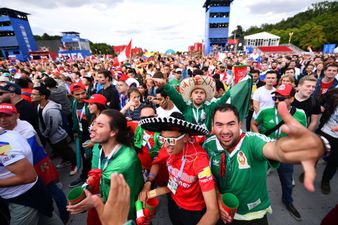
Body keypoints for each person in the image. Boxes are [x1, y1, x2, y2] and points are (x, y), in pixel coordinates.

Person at [203, 103, 325, 224]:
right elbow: (208, 177)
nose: (225, 131)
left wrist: (310, 147)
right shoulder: (208, 145)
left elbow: (275, 149)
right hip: (221, 212)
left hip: (253, 215)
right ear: (212, 126)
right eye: (219, 125)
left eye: (231, 124)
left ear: (239, 124)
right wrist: (217, 196)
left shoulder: (253, 141)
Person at [139, 112, 219, 225]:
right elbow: (157, 162)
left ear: (185, 138)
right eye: (162, 139)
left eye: (171, 140)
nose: (166, 145)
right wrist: (148, 183)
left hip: (192, 211)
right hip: (173, 200)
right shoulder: (168, 146)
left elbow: (213, 212)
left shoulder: (199, 161)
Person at [67, 109, 143, 221]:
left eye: (100, 125)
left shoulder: (126, 161)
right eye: (94, 123)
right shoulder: (99, 147)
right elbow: (98, 174)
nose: (92, 128)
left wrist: (95, 201)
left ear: (113, 132)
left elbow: (126, 203)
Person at [0, 103, 69, 223]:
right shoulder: (7, 134)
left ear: (17, 116)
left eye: (7, 116)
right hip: (28, 188)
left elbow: (27, 174)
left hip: (27, 188)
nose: (3, 119)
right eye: (0, 116)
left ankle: (66, 214)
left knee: (53, 190)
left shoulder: (8, 140)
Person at [251, 84, 307, 221]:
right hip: (265, 151)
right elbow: (253, 124)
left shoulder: (300, 114)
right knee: (255, 178)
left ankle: (288, 201)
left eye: (281, 98)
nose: (277, 100)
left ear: (292, 99)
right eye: (275, 97)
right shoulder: (265, 111)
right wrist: (260, 138)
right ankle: (253, 203)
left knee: (287, 180)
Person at [31, 84, 77, 176]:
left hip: (57, 135)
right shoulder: (39, 106)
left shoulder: (51, 109)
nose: (31, 96)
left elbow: (53, 126)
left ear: (43, 96)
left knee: (65, 149)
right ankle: (66, 160)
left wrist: (46, 134)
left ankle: (74, 163)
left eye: (34, 94)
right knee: (58, 150)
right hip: (48, 135)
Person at [69, 83, 92, 187]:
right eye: (77, 94)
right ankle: (86, 176)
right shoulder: (73, 103)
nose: (81, 96)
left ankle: (87, 177)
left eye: (83, 93)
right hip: (81, 134)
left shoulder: (90, 103)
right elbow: (74, 117)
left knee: (89, 156)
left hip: (91, 134)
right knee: (84, 155)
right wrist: (75, 131)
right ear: (72, 95)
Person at [317, 88, 338, 195]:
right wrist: (320, 106)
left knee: (334, 161)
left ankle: (325, 181)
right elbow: (319, 99)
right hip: (325, 131)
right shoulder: (335, 92)